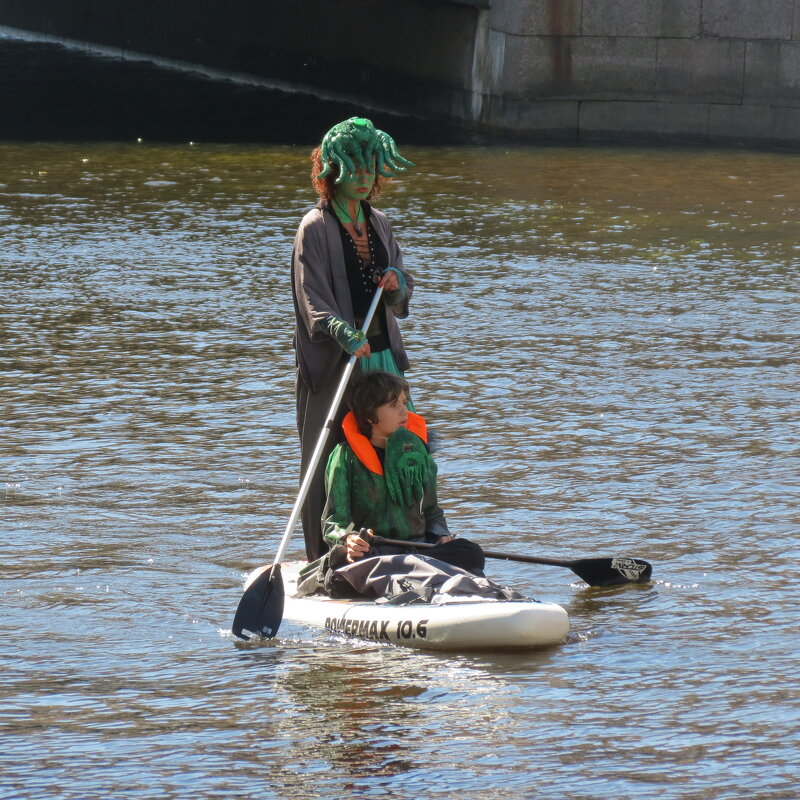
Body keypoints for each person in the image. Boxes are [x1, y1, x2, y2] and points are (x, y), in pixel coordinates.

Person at [292, 116, 417, 561]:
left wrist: (396, 280)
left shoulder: (380, 222)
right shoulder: (314, 227)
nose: (365, 178)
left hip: (383, 359)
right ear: (331, 171)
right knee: (338, 455)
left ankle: (404, 537)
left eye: (371, 169)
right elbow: (312, 299)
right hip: (339, 366)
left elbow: (405, 290)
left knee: (400, 445)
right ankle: (332, 551)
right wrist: (343, 331)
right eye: (355, 167)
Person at [321, 371, 485, 575]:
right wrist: (349, 539)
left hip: (419, 548)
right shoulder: (345, 456)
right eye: (393, 405)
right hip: (375, 551)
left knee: (471, 552)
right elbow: (334, 521)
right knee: (342, 561)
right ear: (370, 416)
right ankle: (416, 569)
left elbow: (432, 510)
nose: (404, 411)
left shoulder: (419, 454)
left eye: (404, 403)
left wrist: (442, 535)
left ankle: (410, 568)